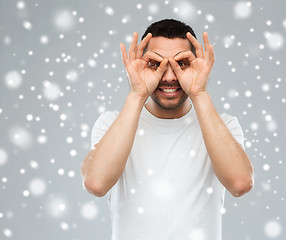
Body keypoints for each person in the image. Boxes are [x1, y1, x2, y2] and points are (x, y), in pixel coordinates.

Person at [81, 19, 254, 240]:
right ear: (141, 64)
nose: (170, 76)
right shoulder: (112, 123)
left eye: (181, 63)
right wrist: (137, 93)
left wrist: (199, 92)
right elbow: (96, 183)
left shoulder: (224, 126)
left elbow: (240, 184)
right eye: (156, 63)